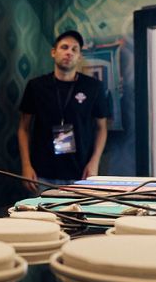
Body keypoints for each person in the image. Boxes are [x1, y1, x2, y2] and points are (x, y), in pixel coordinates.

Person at [18, 30, 109, 192]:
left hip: (81, 174)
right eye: (64, 47)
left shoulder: (93, 87)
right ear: (54, 52)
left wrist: (95, 162)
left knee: (79, 216)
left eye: (74, 49)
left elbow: (102, 128)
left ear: (80, 56)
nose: (69, 53)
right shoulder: (36, 86)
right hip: (42, 173)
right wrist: (26, 165)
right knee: (41, 217)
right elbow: (23, 128)